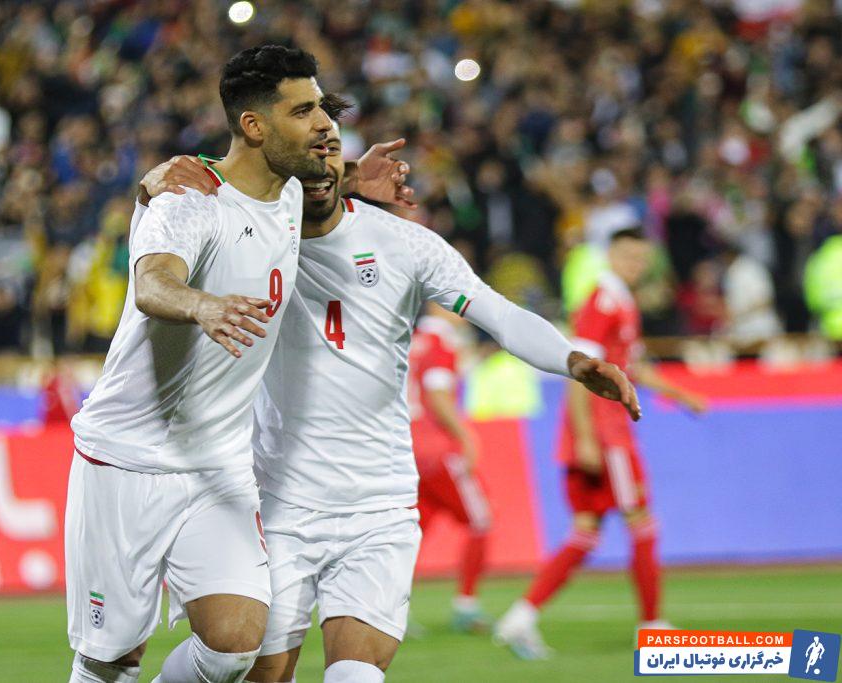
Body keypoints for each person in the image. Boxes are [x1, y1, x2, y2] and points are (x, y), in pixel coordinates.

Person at [143, 118, 640, 683]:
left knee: (356, 676)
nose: (321, 163)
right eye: (308, 152)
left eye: (332, 151)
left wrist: (573, 360)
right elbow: (186, 211)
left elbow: (497, 313)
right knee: (245, 669)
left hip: (379, 509)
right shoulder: (250, 237)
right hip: (279, 506)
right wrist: (152, 186)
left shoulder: (404, 244)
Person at [65, 46, 406, 683]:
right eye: (302, 111)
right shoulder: (188, 198)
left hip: (218, 464)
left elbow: (315, 181)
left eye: (322, 108)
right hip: (127, 459)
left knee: (235, 646)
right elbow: (152, 283)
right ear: (253, 125)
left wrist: (359, 178)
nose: (324, 124)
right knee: (112, 659)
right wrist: (202, 305)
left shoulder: (290, 194)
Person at [495, 227, 707, 660]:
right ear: (611, 256)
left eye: (642, 258)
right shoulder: (603, 301)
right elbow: (581, 371)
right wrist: (586, 438)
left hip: (601, 434)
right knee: (642, 522)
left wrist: (681, 395)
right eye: (628, 256)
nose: (636, 265)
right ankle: (652, 625)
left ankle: (520, 618)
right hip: (605, 435)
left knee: (586, 533)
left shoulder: (621, 301)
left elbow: (632, 367)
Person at [409, 306, 492, 632]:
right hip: (438, 450)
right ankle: (466, 606)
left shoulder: (414, 340)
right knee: (481, 519)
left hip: (410, 448)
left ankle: (388, 607)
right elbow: (437, 394)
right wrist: (465, 436)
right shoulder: (441, 342)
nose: (462, 309)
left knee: (414, 530)